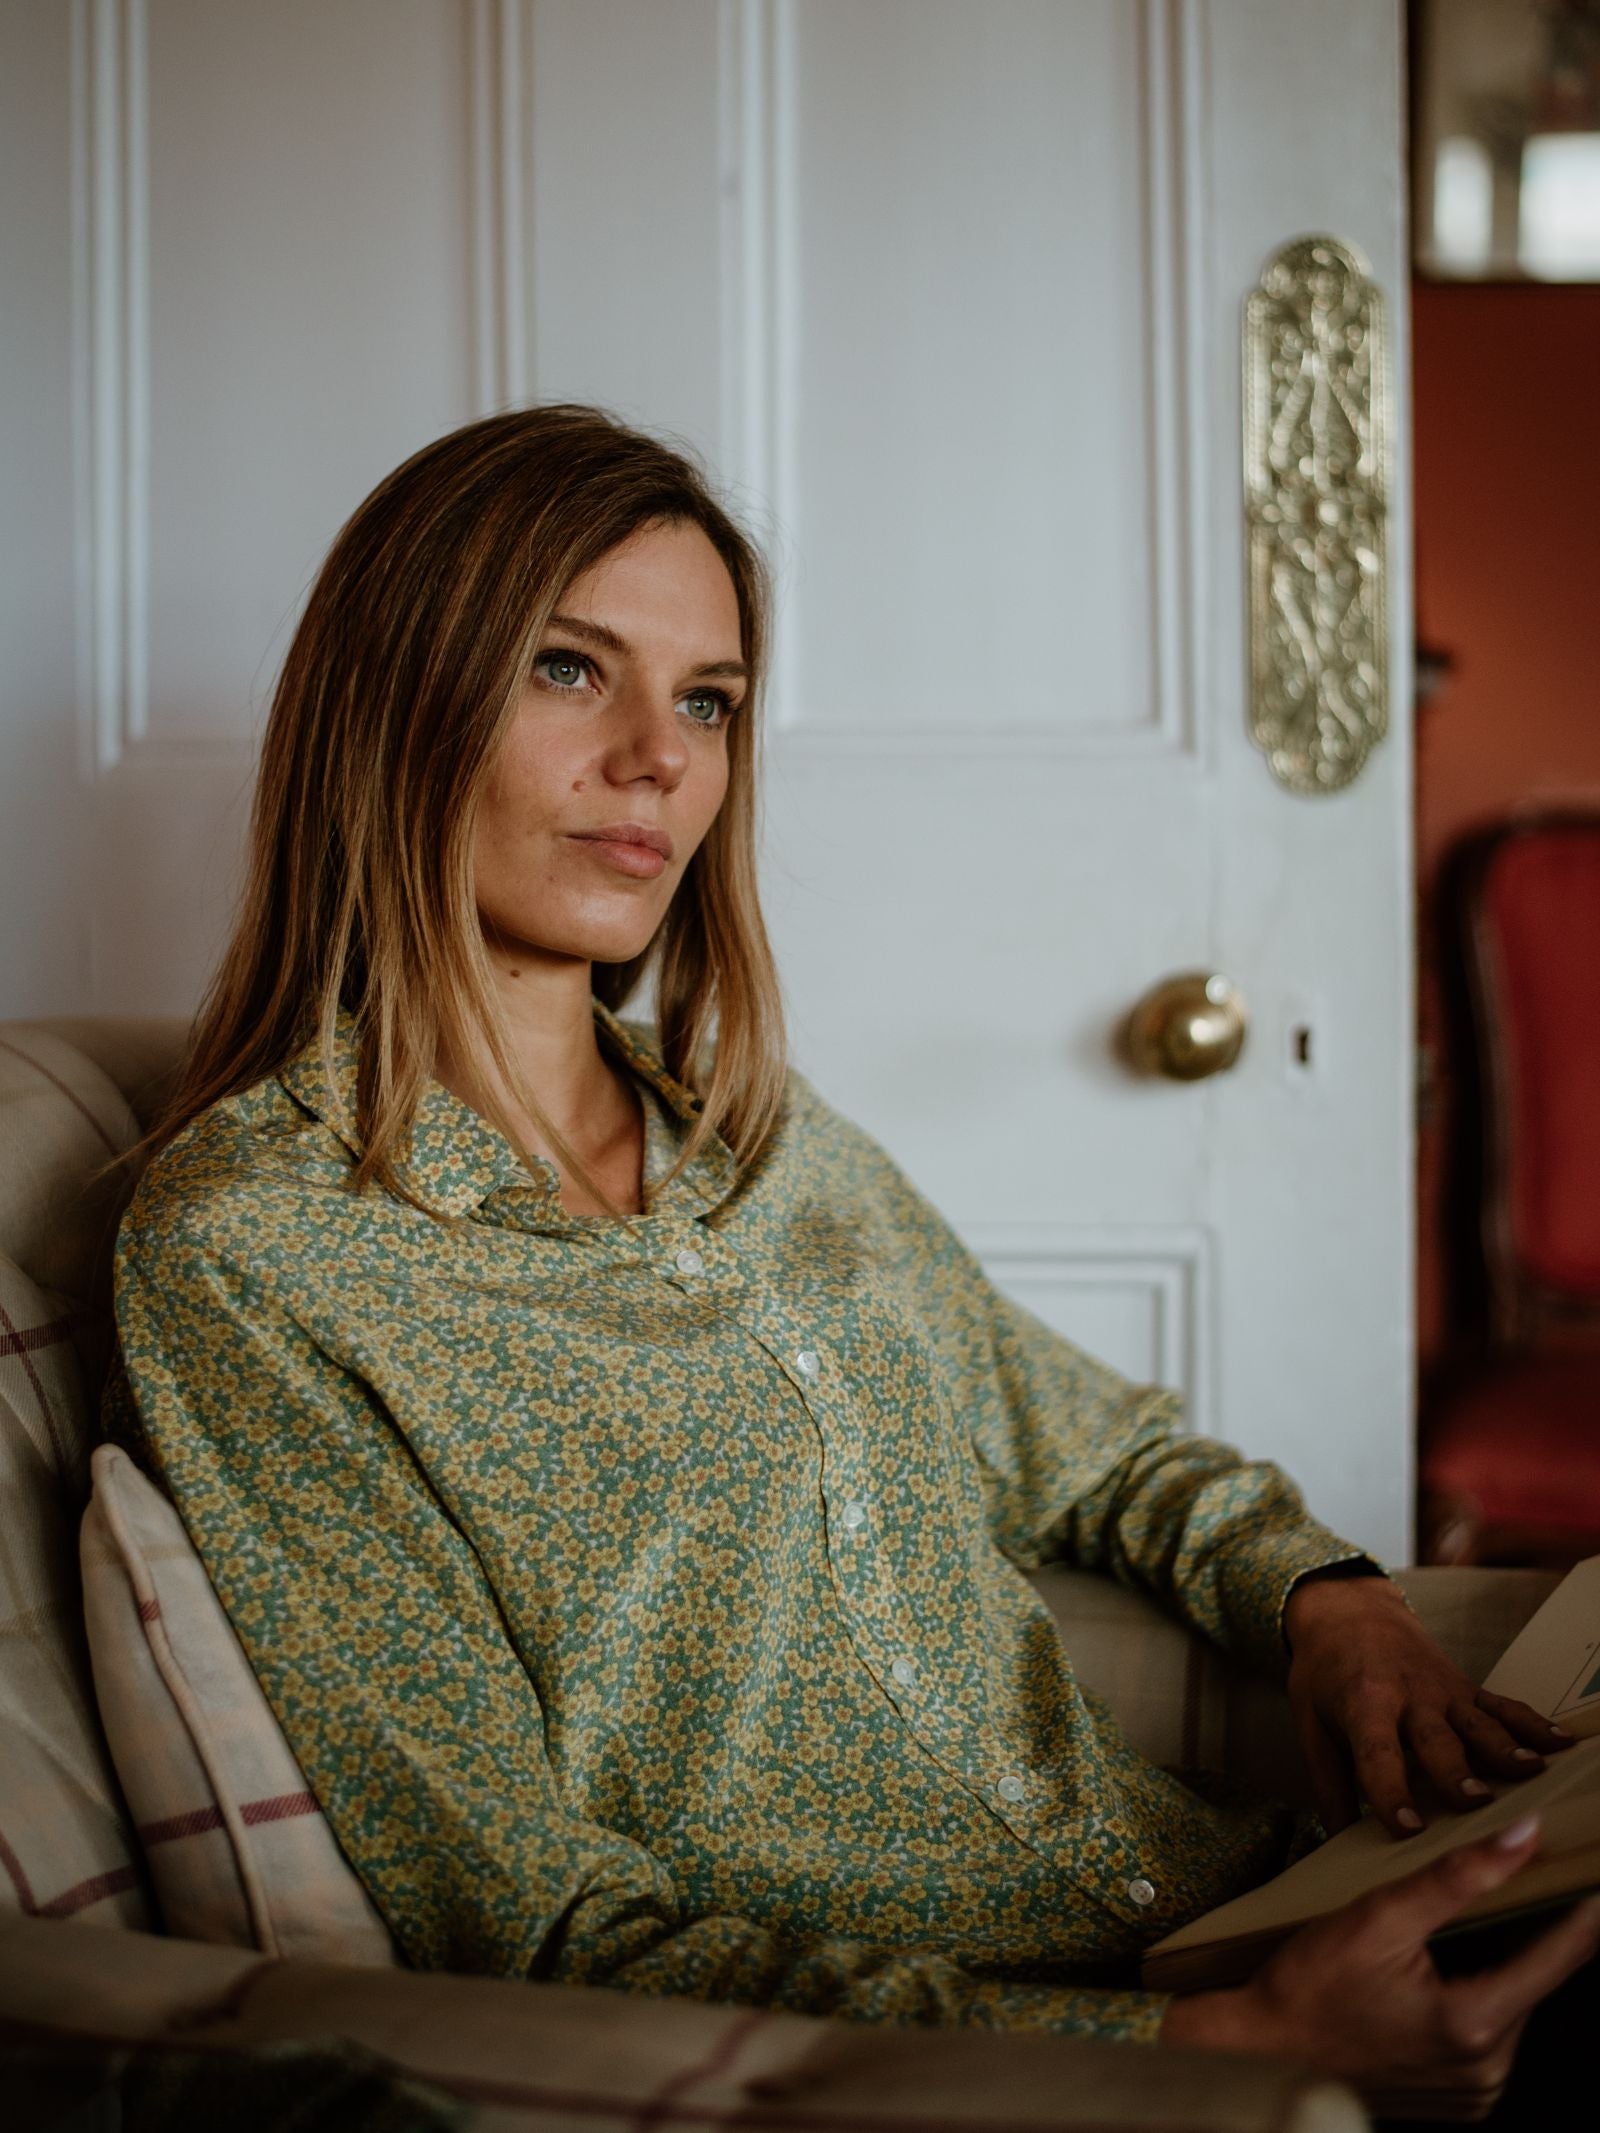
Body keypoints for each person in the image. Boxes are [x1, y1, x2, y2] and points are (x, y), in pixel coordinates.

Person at [106, 406, 1597, 2120]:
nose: (661, 756)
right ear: (394, 700)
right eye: (572, 670)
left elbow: (1094, 1443)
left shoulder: (756, 1134)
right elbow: (526, 1915)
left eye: (712, 700)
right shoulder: (254, 1252)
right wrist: (1215, 2053)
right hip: (1016, 2064)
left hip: (1246, 1897)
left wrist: (1330, 1603)